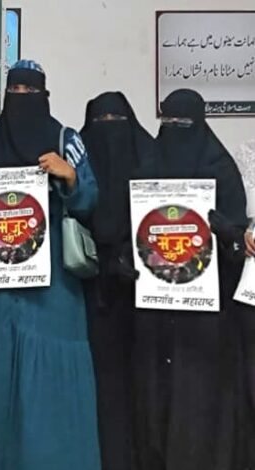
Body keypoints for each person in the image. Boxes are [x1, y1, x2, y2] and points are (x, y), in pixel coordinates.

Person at [0, 60, 100, 470]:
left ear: (45, 96)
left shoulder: (67, 140)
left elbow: (90, 203)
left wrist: (69, 177)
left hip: (54, 285)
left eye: (31, 92)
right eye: (15, 91)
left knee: (49, 366)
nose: (22, 99)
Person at [133, 88, 250, 470]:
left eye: (183, 123)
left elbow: (240, 246)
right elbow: (132, 230)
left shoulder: (221, 169)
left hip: (206, 316)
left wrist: (228, 233)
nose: (174, 129)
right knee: (157, 400)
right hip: (155, 311)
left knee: (200, 400)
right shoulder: (147, 167)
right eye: (168, 121)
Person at [79, 91, 157, 470]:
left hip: (145, 290)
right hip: (89, 288)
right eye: (101, 123)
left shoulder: (154, 161)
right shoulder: (76, 164)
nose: (109, 131)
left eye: (116, 121)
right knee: (98, 378)